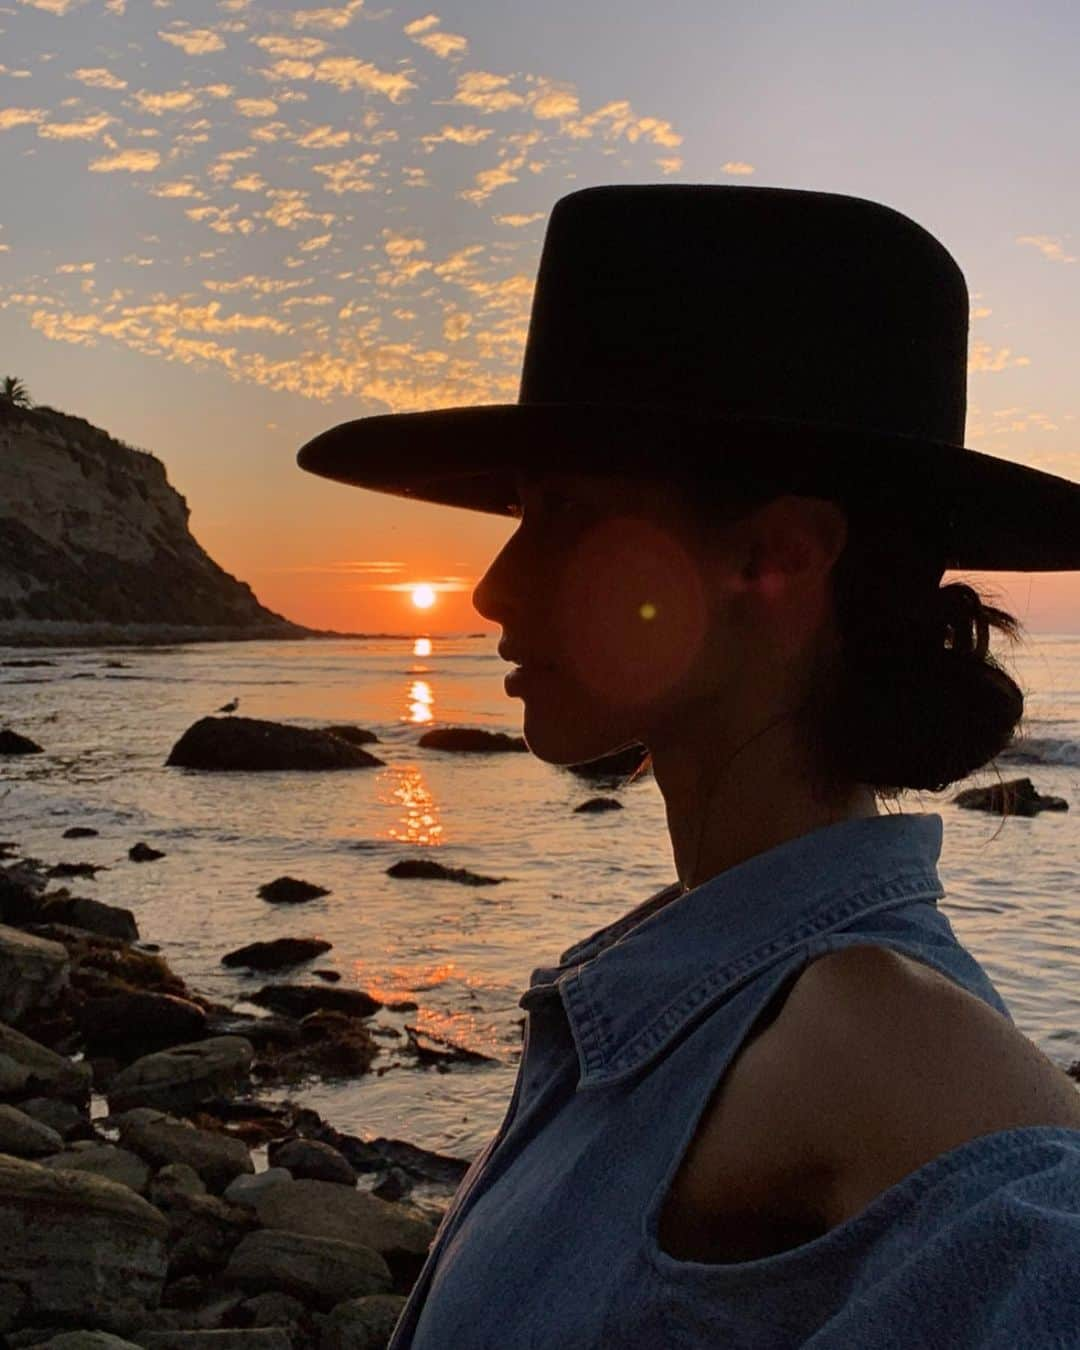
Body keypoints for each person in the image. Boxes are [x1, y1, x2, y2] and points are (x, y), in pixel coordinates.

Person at [298, 185, 1080, 1347]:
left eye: (562, 517)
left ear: (772, 557)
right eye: (518, 512)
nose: (493, 587)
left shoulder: (876, 1034)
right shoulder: (683, 994)